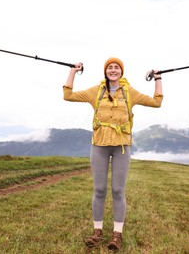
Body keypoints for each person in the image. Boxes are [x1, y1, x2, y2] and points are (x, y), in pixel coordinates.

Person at [63, 57, 163, 250]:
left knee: (118, 190)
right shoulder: (96, 91)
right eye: (110, 67)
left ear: (121, 72)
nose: (113, 70)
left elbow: (156, 102)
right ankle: (97, 232)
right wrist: (73, 71)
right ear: (105, 71)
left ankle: (117, 235)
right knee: (99, 190)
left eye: (117, 67)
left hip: (122, 147)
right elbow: (68, 95)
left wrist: (158, 79)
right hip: (99, 145)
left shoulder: (129, 92)